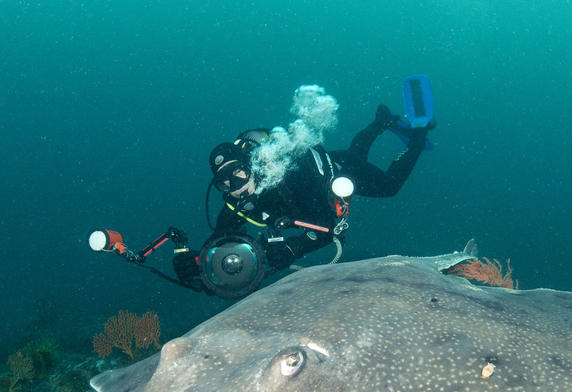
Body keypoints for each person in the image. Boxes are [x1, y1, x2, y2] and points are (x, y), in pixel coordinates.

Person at [173, 104, 432, 294]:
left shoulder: (289, 178)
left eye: (237, 175)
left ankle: (417, 138)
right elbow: (222, 246)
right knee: (357, 152)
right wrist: (196, 262)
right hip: (332, 166)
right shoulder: (236, 206)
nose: (234, 187)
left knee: (388, 185)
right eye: (224, 182)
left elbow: (329, 229)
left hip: (336, 173)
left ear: (251, 165)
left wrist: (291, 248)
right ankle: (380, 122)